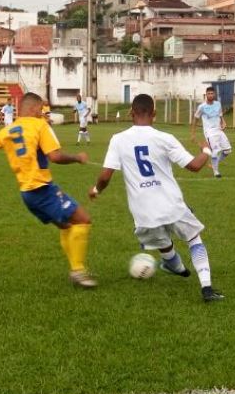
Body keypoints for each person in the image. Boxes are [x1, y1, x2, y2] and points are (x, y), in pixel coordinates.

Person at [90, 94, 225, 302]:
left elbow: (105, 176)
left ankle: (176, 267)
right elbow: (195, 166)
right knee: (193, 238)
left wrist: (96, 190)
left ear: (130, 113)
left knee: (162, 241)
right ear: (154, 114)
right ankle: (206, 288)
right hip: (171, 204)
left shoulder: (118, 139)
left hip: (142, 212)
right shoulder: (165, 138)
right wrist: (206, 150)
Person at [0, 92, 97, 288]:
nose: (43, 113)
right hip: (42, 189)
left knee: (66, 226)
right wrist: (77, 157)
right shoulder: (40, 125)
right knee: (83, 219)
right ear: (32, 109)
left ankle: (77, 267)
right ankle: (78, 270)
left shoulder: (8, 129)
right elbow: (55, 157)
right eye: (40, 110)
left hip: (27, 194)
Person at [190, 86, 232, 178]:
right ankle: (216, 172)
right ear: (206, 95)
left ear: (214, 94)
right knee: (215, 151)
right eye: (208, 93)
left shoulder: (218, 104)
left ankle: (214, 164)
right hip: (209, 132)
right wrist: (193, 134)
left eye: (212, 93)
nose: (210, 95)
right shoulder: (202, 107)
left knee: (227, 150)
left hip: (219, 130)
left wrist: (223, 122)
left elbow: (220, 115)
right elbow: (195, 119)